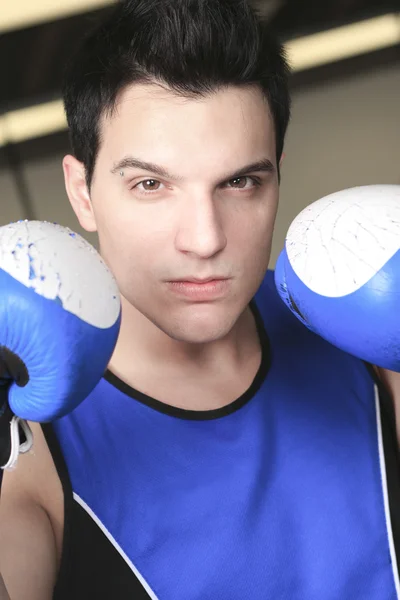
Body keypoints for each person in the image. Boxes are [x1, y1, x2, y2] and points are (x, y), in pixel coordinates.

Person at [1, 0, 400, 598]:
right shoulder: (33, 450)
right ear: (81, 191)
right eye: (151, 185)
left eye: (240, 182)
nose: (205, 238)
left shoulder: (366, 347)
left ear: (276, 178)